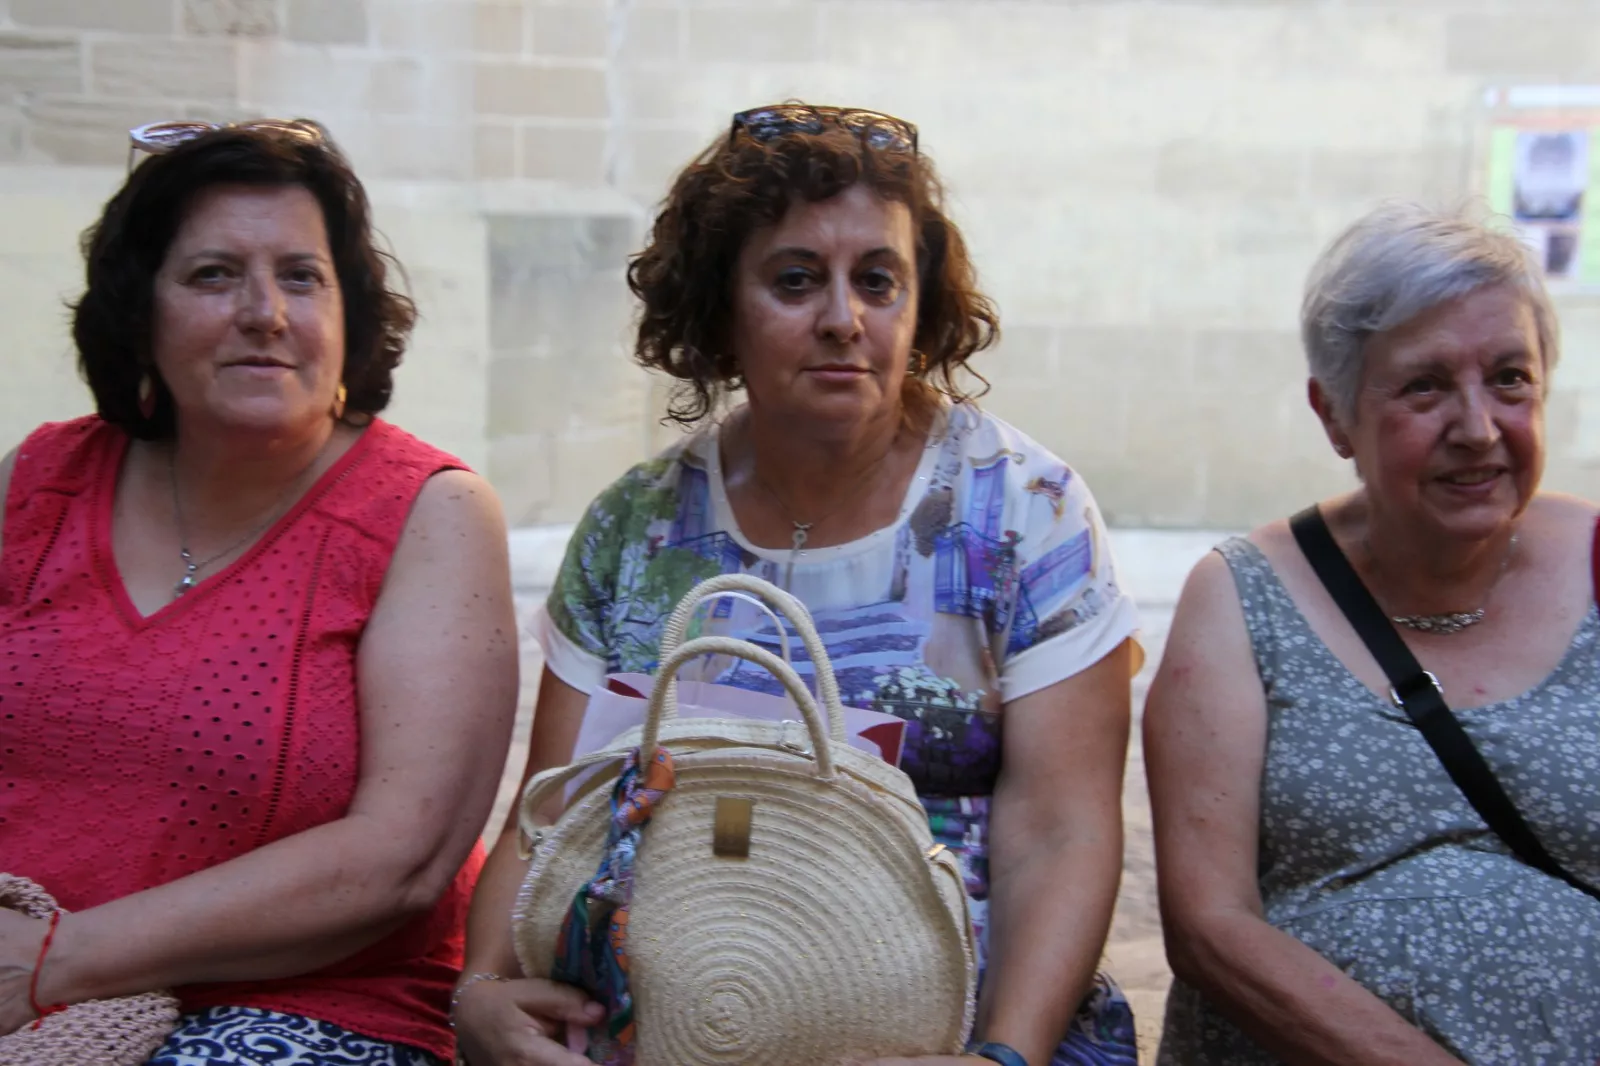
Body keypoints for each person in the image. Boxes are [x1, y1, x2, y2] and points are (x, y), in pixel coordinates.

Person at [454, 103, 1142, 1066]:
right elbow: (553, 809)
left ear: (923, 303)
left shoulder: (1027, 512)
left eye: (878, 281)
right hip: (665, 1028)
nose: (842, 320)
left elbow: (1061, 831)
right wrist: (483, 991)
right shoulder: (633, 529)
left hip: (946, 1039)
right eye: (794, 281)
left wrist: (1004, 1056)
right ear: (718, 308)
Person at [0, 120, 518, 1066]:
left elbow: (402, 855)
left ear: (349, 313)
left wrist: (60, 960)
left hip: (307, 1007)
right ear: (138, 311)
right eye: (212, 275)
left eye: (301, 276)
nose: (264, 312)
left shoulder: (427, 514)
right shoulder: (39, 482)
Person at [1146, 204, 1600, 1065]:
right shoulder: (1243, 598)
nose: (1477, 427)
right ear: (1335, 414)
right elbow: (1209, 925)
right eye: (1425, 386)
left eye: (1509, 378)